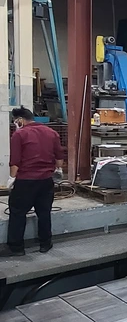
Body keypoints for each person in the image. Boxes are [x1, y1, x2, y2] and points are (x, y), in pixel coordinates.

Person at [7, 107, 63, 256]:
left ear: (20, 120)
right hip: (46, 180)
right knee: (44, 213)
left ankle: (16, 248)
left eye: (15, 120)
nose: (15, 123)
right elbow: (59, 156)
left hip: (25, 181)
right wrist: (58, 171)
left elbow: (15, 161)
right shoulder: (52, 132)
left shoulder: (19, 134)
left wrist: (12, 178)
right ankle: (45, 244)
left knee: (17, 213)